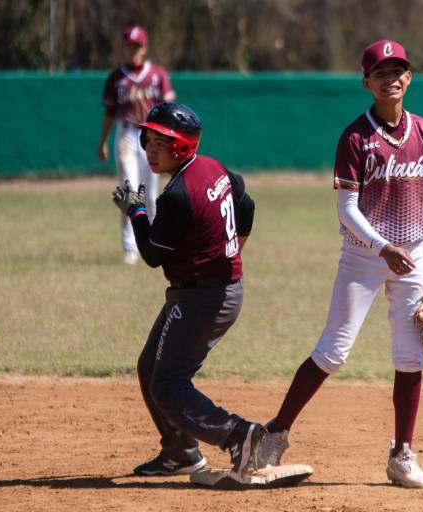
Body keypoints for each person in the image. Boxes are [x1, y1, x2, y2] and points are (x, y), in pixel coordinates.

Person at [258, 39, 423, 488]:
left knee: (410, 354)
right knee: (333, 351)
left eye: (398, 70)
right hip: (364, 256)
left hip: (414, 255)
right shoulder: (355, 138)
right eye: (380, 72)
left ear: (410, 77)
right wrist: (382, 247)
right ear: (366, 82)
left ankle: (402, 454)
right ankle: (275, 434)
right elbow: (346, 208)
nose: (391, 79)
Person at [111, 101, 267, 479]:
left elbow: (152, 255)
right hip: (209, 292)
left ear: (181, 146)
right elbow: (246, 203)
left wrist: (136, 211)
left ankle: (238, 435)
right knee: (150, 367)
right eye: (148, 140)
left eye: (160, 142)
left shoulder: (177, 195)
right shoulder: (214, 168)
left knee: (167, 385)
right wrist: (235, 250)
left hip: (203, 299)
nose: (150, 149)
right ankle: (180, 452)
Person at [100, 25, 176, 264]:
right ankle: (130, 247)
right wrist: (103, 142)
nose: (132, 49)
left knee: (151, 195)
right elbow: (110, 113)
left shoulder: (157, 75)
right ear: (123, 47)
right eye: (129, 45)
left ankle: (155, 243)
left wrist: (169, 139)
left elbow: (168, 109)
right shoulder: (116, 78)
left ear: (144, 48)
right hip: (126, 135)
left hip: (153, 137)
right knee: (130, 192)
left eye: (137, 45)